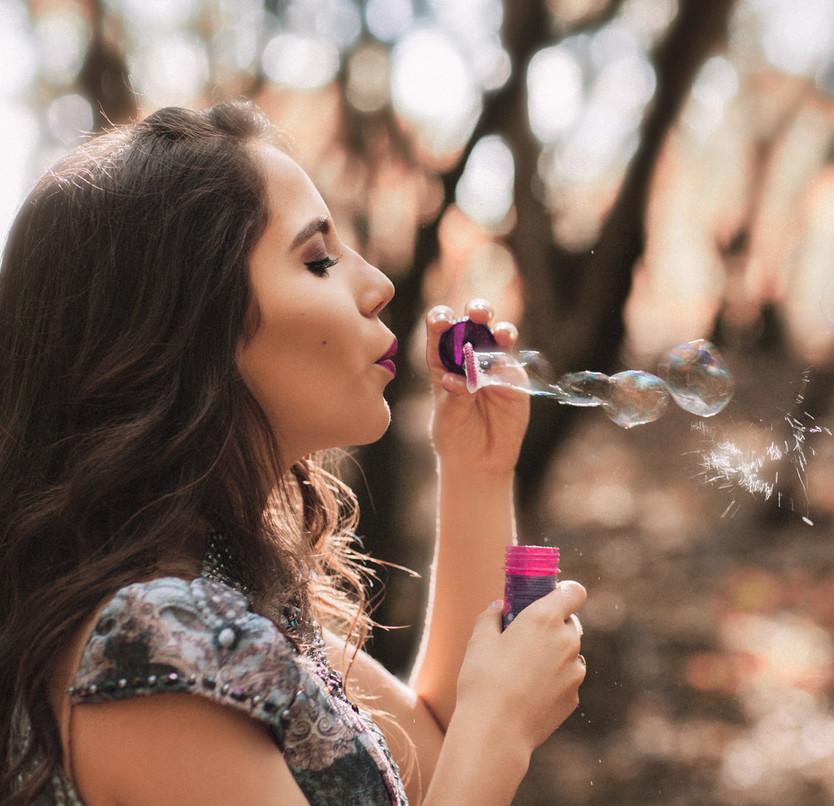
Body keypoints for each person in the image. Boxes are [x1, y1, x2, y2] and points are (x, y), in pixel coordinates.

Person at [0, 101, 587, 806]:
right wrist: (500, 727)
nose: (379, 286)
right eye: (318, 260)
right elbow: (471, 745)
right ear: (187, 327)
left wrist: (476, 470)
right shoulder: (152, 653)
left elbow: (431, 752)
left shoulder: (231, 593)